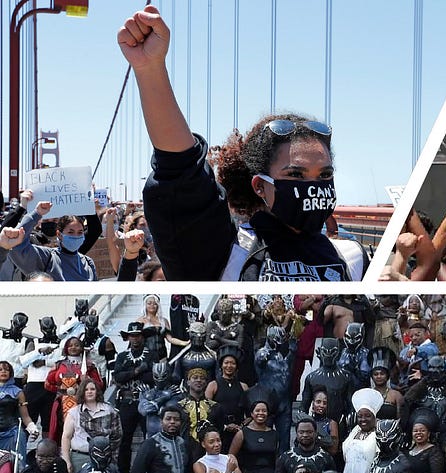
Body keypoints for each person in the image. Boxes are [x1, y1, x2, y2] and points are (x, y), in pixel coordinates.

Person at [118, 5, 367, 281]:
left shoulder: (353, 258)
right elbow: (181, 172)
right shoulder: (228, 254)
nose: (313, 187)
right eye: (295, 174)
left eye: (324, 175)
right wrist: (150, 68)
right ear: (260, 185)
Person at [1, 190, 102, 281]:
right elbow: (13, 241)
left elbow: (95, 230)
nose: (75, 236)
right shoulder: (46, 256)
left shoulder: (87, 263)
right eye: (70, 232)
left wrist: (89, 207)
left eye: (80, 232)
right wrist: (33, 212)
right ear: (59, 234)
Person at [111, 322, 151, 473]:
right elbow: (118, 377)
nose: (135, 339)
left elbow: (152, 377)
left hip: (146, 400)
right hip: (126, 401)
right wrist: (137, 370)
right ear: (128, 337)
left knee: (149, 439)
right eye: (132, 336)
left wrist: (128, 372)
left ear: (142, 337)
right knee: (124, 440)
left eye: (137, 336)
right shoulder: (121, 356)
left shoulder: (151, 354)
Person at [44, 336, 104, 440]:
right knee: (61, 429)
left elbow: (99, 385)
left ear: (81, 348)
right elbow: (48, 383)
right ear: (66, 348)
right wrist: (62, 391)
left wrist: (87, 379)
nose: (73, 348)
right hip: (61, 403)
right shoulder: (59, 365)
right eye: (70, 345)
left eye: (76, 345)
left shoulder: (89, 366)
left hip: (82, 402)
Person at [61, 379, 122, 473]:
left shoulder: (109, 411)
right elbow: (66, 438)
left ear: (97, 391)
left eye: (92, 389)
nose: (89, 392)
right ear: (82, 392)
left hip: (104, 458)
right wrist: (67, 461)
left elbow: (117, 436)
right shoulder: (74, 412)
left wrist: (112, 459)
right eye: (86, 389)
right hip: (80, 458)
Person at [205, 348, 249, 451]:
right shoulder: (213, 385)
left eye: (232, 363)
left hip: (239, 430)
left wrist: (241, 426)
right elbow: (206, 410)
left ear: (237, 366)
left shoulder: (243, 386)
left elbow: (250, 412)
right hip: (219, 430)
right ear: (221, 365)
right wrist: (225, 426)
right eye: (226, 363)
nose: (229, 366)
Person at [342, 389, 383, 473]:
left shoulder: (380, 433)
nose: (363, 419)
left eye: (368, 415)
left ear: (374, 416)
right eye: (360, 416)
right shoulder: (355, 431)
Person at [0, 360, 38, 459]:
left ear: (11, 373)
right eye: (0, 370)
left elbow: (25, 416)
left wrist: (32, 428)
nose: (3, 372)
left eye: (6, 370)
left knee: (15, 463)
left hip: (12, 433)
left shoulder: (18, 392)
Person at [136, 294, 187, 361]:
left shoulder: (164, 321)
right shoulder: (140, 321)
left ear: (158, 305)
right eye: (149, 303)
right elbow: (136, 338)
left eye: (155, 304)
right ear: (145, 305)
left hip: (162, 355)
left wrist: (184, 343)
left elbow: (170, 339)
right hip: (146, 356)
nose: (152, 305)